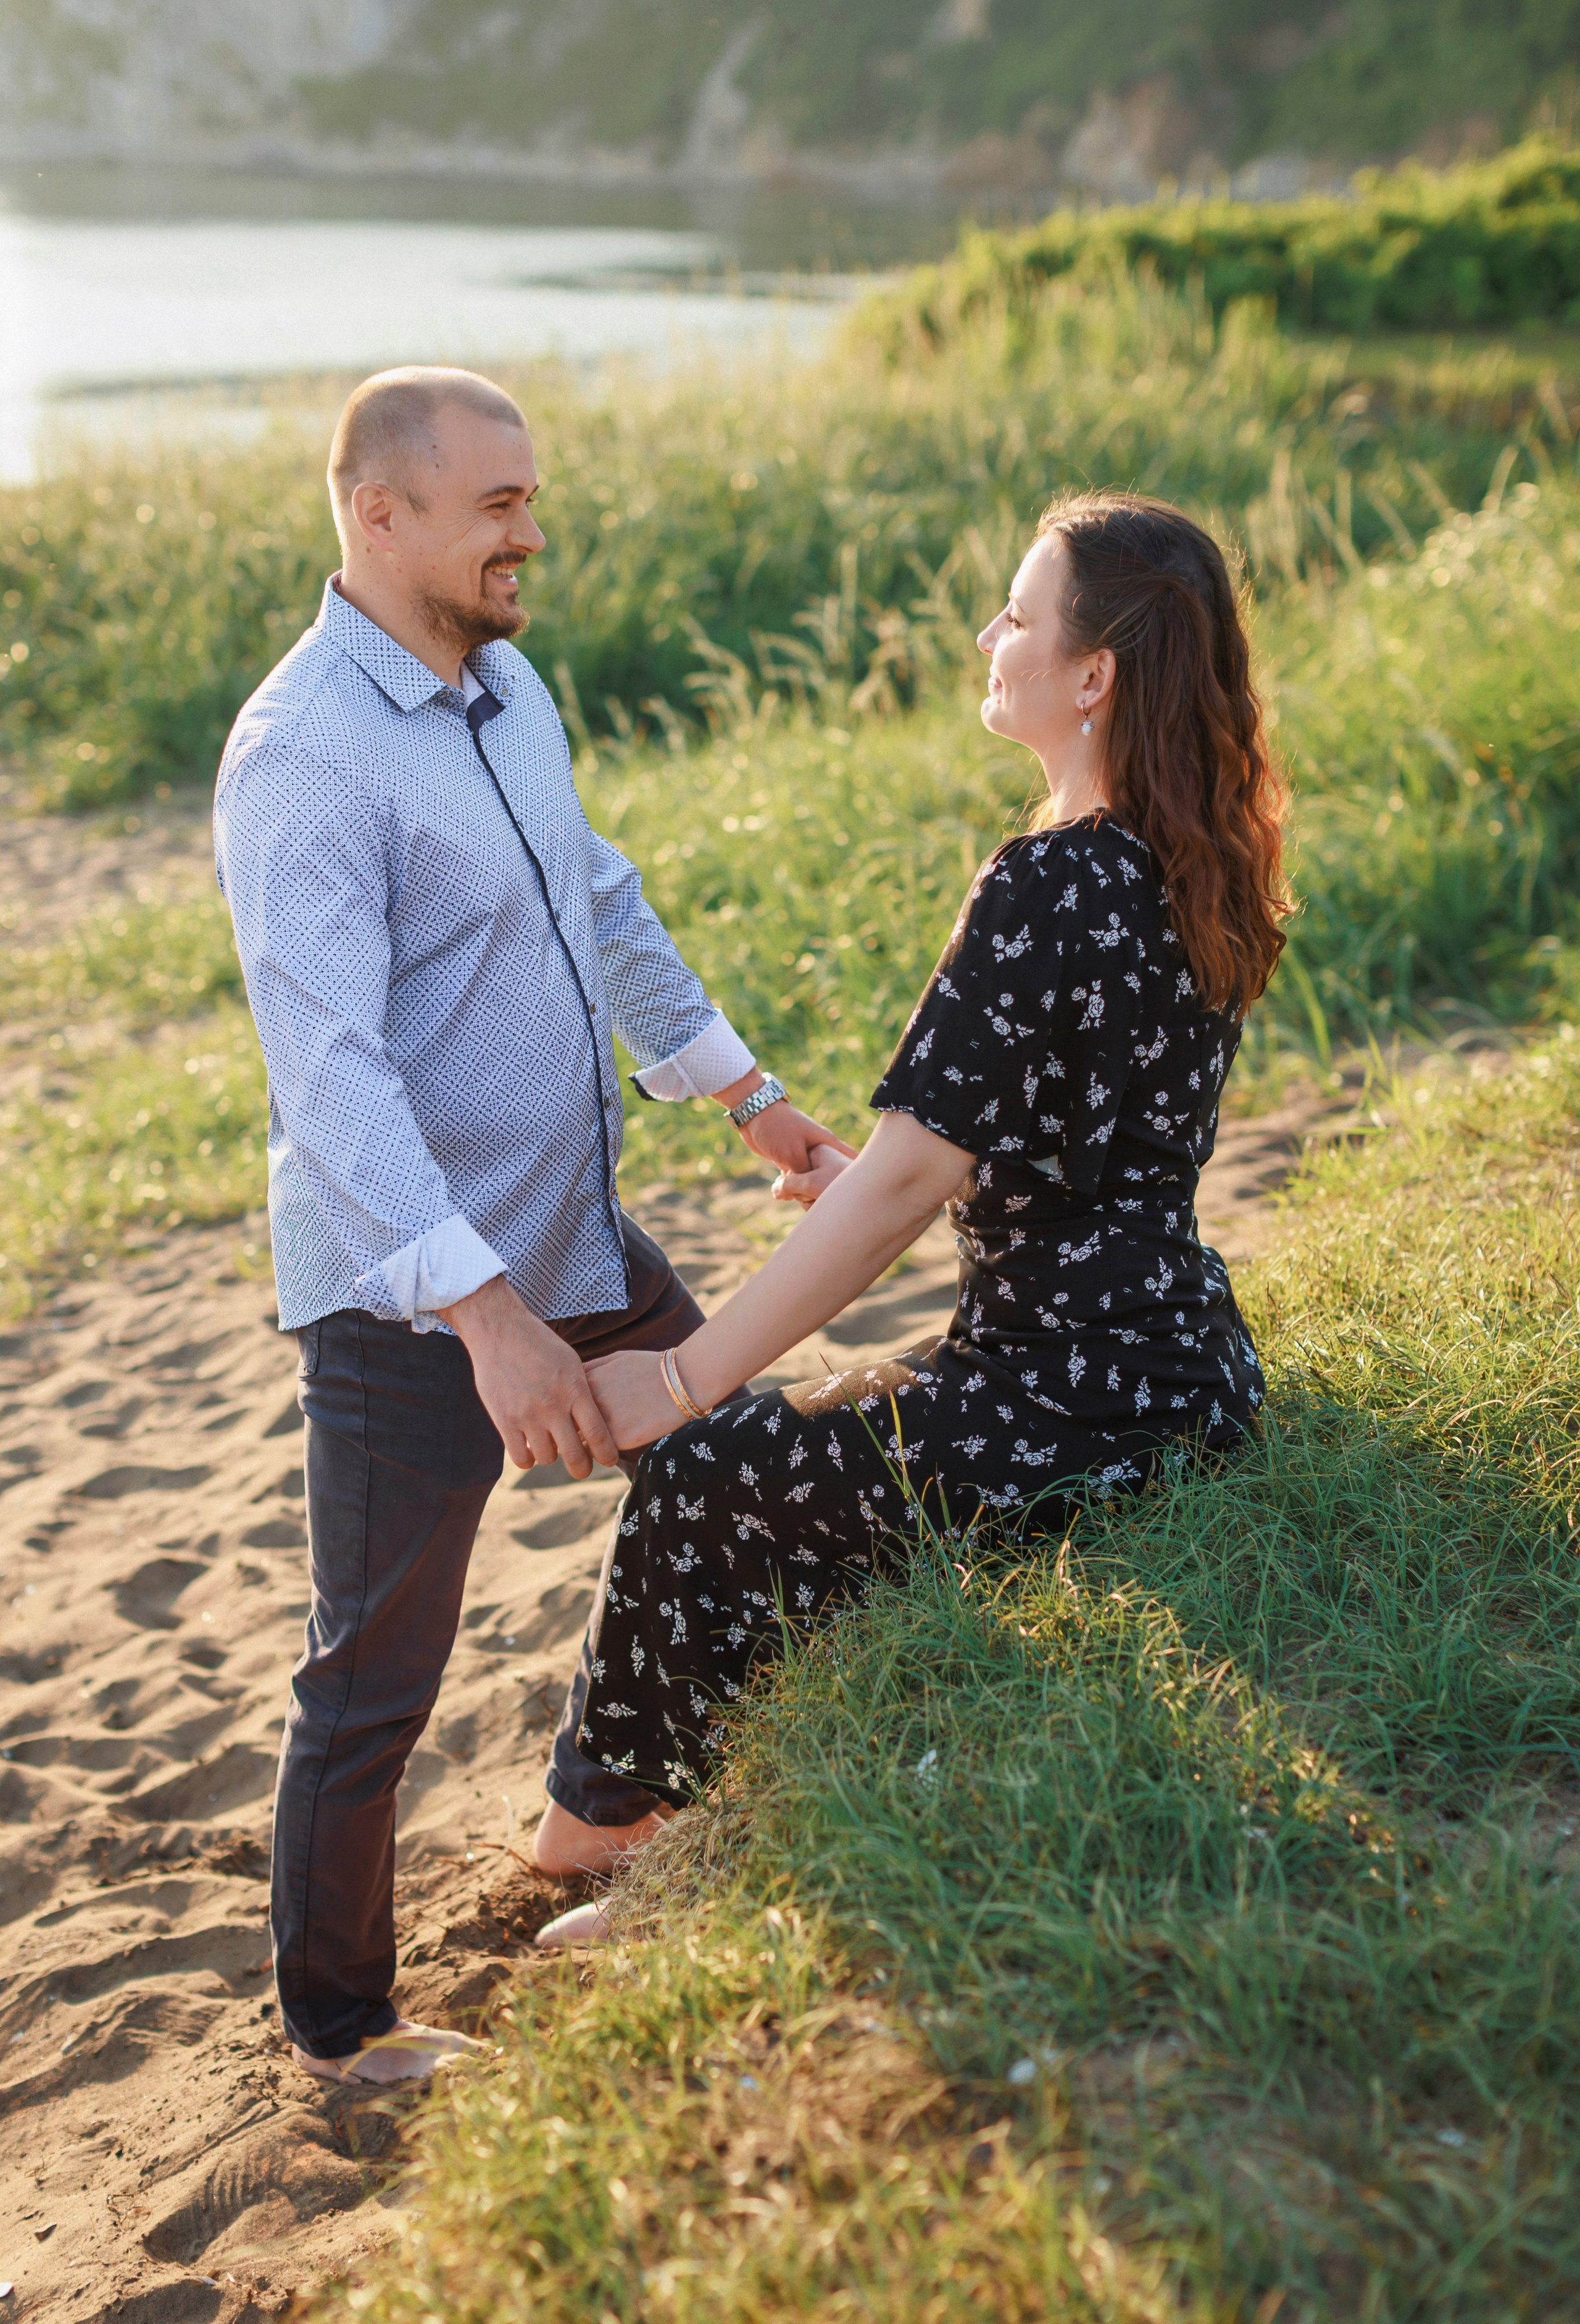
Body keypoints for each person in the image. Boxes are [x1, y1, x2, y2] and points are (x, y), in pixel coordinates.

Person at [213, 365, 851, 2082]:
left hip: (576, 1235)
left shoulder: (507, 684)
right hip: (410, 1302)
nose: (532, 532)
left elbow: (601, 892)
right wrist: (488, 1323)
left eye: (530, 496)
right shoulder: (300, 759)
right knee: (374, 1674)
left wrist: (743, 1092)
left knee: (744, 1463)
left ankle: (620, 1818)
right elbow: (331, 1080)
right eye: (499, 503)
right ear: (380, 513)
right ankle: (343, 2033)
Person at [537, 489, 1289, 1932]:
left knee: (706, 1472)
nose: (986, 634)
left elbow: (902, 1185)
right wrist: (908, 1175)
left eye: (1018, 611)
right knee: (816, 1467)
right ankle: (695, 1817)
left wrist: (685, 1378)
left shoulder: (1043, 880)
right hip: (1191, 1369)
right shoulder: (1191, 860)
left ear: (1092, 676)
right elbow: (1086, 1139)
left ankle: (607, 1840)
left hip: (1065, 1398)